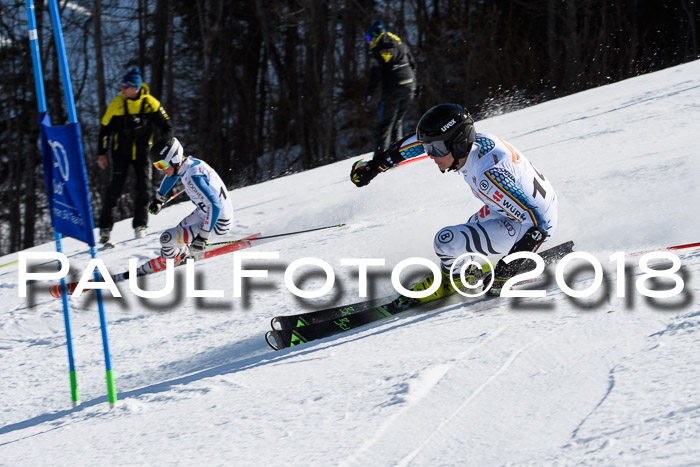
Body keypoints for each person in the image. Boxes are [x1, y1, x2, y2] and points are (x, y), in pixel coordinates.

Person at [350, 103, 558, 297]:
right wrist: (376, 166)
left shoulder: (489, 174)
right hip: (516, 211)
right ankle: (464, 270)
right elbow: (415, 146)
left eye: (436, 149)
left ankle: (454, 281)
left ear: (458, 144)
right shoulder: (475, 144)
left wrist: (508, 270)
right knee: (469, 229)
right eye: (429, 148)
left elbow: (537, 222)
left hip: (530, 226)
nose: (431, 155)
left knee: (446, 241)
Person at [120, 137, 234, 278]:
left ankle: (173, 264)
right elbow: (173, 175)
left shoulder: (193, 177)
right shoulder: (187, 164)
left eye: (161, 165)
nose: (160, 170)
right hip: (207, 213)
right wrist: (159, 198)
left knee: (166, 239)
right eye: (157, 166)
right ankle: (181, 256)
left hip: (217, 222)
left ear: (173, 159)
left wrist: (203, 235)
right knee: (178, 233)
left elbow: (214, 205)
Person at [97, 67, 172, 244]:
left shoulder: (150, 103)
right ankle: (105, 229)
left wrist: (164, 149)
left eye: (125, 87)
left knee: (143, 190)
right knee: (114, 190)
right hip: (120, 154)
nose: (122, 90)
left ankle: (140, 226)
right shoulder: (116, 104)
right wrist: (102, 153)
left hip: (143, 154)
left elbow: (167, 126)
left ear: (135, 88)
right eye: (122, 86)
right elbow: (104, 130)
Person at [364, 19, 417, 159]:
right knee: (397, 121)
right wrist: (413, 85)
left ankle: (379, 160)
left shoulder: (379, 49)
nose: (368, 41)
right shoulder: (400, 43)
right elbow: (413, 63)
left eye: (368, 38)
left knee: (385, 124)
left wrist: (369, 94)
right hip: (410, 85)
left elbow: (376, 75)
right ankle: (398, 155)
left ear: (375, 35)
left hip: (393, 88)